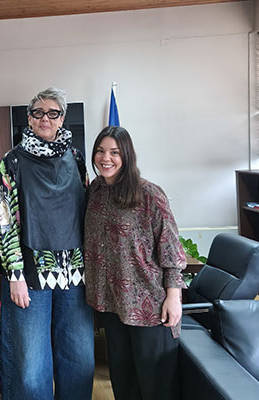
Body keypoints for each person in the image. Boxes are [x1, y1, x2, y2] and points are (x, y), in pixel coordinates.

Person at [0, 87, 94, 400]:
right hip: (29, 276)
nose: (45, 119)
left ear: (62, 118)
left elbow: (86, 210)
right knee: (31, 366)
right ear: (29, 118)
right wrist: (14, 275)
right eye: (38, 113)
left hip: (75, 274)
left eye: (53, 113)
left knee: (79, 359)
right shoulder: (12, 161)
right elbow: (4, 221)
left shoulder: (76, 158)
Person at [84, 126, 186, 400]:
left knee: (157, 385)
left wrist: (173, 296)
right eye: (100, 151)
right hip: (112, 304)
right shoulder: (95, 191)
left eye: (114, 152)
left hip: (150, 306)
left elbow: (170, 246)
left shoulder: (149, 193)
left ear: (127, 155)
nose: (106, 158)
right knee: (123, 382)